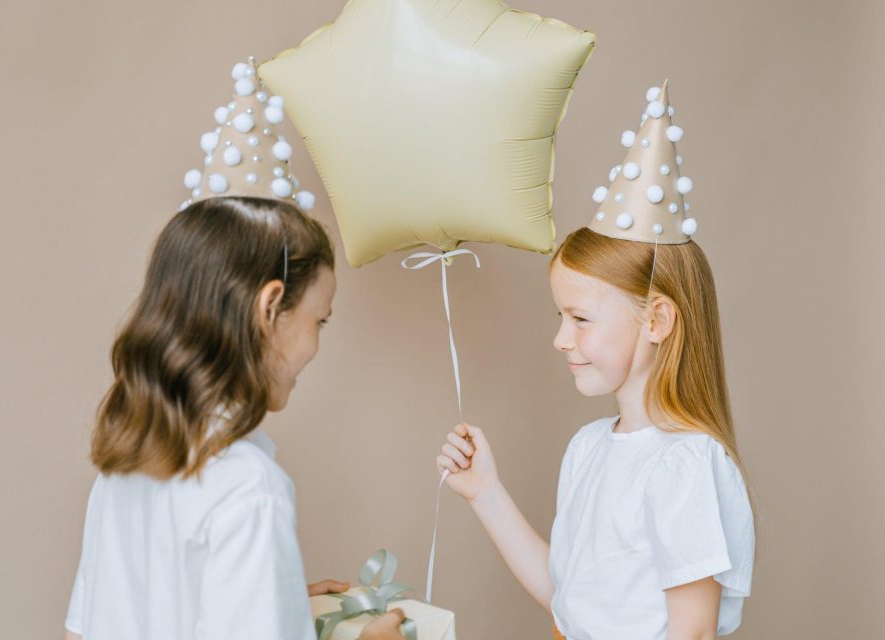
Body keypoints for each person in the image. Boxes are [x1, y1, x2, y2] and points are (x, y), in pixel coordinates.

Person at [64, 59, 407, 640]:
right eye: (318, 320)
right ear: (270, 309)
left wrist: (275, 605)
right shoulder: (247, 487)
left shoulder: (131, 456)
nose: (317, 347)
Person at [437, 82, 755, 639]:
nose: (561, 339)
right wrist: (485, 493)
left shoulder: (684, 465)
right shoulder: (588, 449)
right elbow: (570, 602)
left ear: (657, 321)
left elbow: (694, 632)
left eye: (580, 319)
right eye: (561, 318)